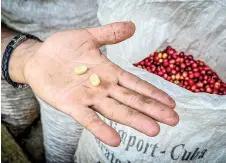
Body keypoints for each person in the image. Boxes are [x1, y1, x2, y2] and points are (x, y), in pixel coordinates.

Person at [1, 0, 179, 162]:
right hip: (15, 46)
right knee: (18, 119)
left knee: (66, 141)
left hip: (94, 54)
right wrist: (22, 56)